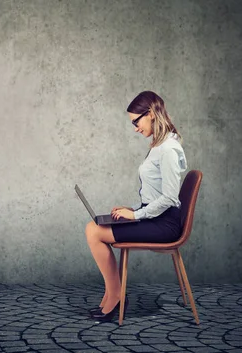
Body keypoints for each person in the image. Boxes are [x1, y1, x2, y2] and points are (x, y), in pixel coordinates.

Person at [84, 91, 187, 322]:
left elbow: (170, 198)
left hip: (165, 224)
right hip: (155, 217)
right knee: (94, 225)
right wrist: (131, 210)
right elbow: (156, 195)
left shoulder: (168, 149)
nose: (135, 128)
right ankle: (112, 294)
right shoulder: (160, 145)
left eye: (136, 121)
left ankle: (116, 296)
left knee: (93, 230)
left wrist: (136, 214)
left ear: (150, 114)